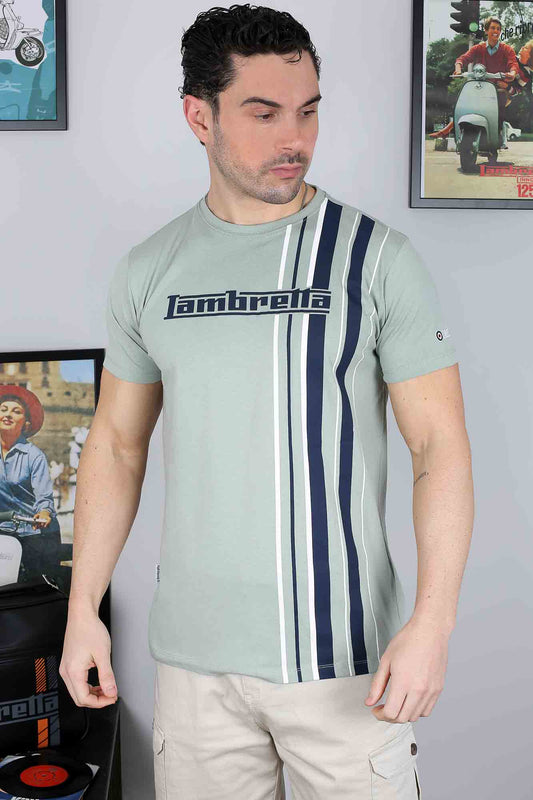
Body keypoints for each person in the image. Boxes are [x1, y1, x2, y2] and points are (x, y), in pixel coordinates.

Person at [60, 4, 474, 798]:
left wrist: (432, 623)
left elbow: (438, 449)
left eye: (307, 111)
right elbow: (115, 446)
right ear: (199, 117)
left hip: (345, 665)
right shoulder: (149, 271)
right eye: (263, 113)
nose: (295, 138)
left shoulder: (376, 259)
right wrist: (85, 609)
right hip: (195, 669)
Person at [0, 384, 61, 583]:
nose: (7, 414)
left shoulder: (34, 456)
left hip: (34, 531)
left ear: (26, 423)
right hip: (3, 529)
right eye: (3, 409)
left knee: (37, 586)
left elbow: (44, 497)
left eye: (16, 411)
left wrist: (44, 513)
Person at [453, 16, 520, 148]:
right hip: (479, 87)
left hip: (497, 88)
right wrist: (458, 68)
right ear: (486, 30)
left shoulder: (506, 49)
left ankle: (498, 135)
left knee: (500, 110)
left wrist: (512, 73)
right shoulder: (478, 48)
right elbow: (463, 58)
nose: (496, 31)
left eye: (498, 29)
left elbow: (513, 63)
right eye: (493, 28)